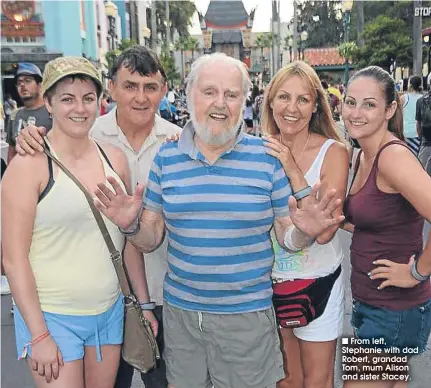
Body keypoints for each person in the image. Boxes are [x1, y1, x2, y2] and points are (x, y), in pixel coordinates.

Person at [93, 52, 345, 388]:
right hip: (182, 318)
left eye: (231, 94)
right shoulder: (167, 157)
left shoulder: (266, 159)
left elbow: (287, 236)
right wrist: (130, 225)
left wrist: (305, 234)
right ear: (189, 93)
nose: (220, 104)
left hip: (247, 320)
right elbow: (151, 238)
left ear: (245, 101)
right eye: (209, 91)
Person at [15, 45, 181, 388]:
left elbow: (126, 240)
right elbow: (13, 258)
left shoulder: (164, 146)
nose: (79, 108)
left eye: (87, 98)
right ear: (48, 103)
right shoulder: (34, 160)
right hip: (57, 313)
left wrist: (145, 303)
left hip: (124, 306)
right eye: (67, 99)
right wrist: (39, 334)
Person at [260, 61, 349, 388]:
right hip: (269, 286)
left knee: (317, 381)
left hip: (318, 284)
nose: (292, 108)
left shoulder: (334, 152)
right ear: (270, 101)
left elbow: (325, 232)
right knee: (285, 380)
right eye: (284, 97)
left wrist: (290, 166)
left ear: (315, 106)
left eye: (302, 99)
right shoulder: (257, 149)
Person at [342, 66, 431, 388]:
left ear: (390, 109)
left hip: (393, 309)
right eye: (350, 102)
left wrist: (418, 272)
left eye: (369, 104)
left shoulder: (392, 157)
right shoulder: (360, 154)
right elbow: (378, 219)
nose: (356, 113)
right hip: (371, 303)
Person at [6, 63, 52, 162]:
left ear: (40, 85)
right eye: (19, 82)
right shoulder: (14, 116)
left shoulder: (52, 113)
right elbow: (12, 151)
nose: (22, 85)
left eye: (27, 81)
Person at [401, 75, 422, 155]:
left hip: (405, 133)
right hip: (419, 133)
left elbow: (398, 116)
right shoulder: (423, 98)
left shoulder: (404, 98)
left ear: (410, 85)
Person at [416, 77, 431, 176]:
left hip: (426, 141)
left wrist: (421, 137)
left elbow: (418, 123)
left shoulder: (421, 101)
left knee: (422, 173)